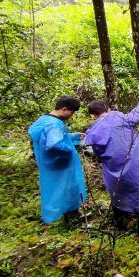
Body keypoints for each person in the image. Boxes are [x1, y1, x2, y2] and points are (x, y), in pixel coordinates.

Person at [84, 73, 139, 237]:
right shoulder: (122, 119)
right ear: (107, 109)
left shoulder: (92, 132)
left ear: (93, 115)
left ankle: (120, 226)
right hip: (136, 166)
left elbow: (95, 153)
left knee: (118, 197)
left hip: (115, 173)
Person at [28, 96, 87, 225]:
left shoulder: (45, 120)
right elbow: (54, 144)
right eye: (71, 112)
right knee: (68, 191)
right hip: (60, 164)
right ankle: (73, 221)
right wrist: (70, 149)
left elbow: (56, 138)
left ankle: (72, 217)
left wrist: (73, 136)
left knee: (63, 190)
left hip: (52, 164)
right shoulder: (53, 125)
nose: (71, 115)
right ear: (64, 109)